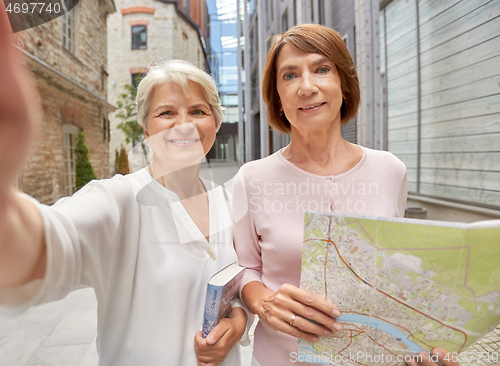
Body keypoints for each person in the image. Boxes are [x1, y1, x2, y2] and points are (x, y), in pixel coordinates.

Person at [0, 5, 249, 365]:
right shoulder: (117, 200)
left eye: (198, 111)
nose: (185, 125)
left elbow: (234, 288)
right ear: (145, 130)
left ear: (215, 122)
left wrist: (238, 321)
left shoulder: (227, 201)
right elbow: (47, 244)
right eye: (166, 113)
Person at [232, 24, 459, 366]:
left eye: (322, 69)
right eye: (290, 75)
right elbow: (245, 267)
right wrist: (262, 301)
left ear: (344, 83)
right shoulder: (252, 179)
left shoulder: (390, 171)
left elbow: (391, 272)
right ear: (277, 95)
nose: (307, 87)